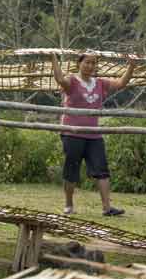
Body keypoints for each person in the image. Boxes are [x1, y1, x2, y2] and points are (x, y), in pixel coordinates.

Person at [52, 52, 136, 217]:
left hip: (94, 135)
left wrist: (131, 66)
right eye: (87, 62)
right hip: (72, 133)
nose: (90, 66)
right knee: (72, 170)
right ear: (79, 64)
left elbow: (120, 83)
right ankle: (68, 204)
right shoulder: (72, 81)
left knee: (102, 170)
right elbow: (60, 80)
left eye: (93, 63)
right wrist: (54, 59)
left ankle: (107, 208)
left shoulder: (100, 83)